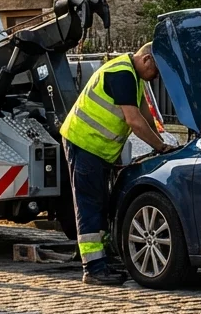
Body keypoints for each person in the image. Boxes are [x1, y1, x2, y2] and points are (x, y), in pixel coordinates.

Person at [59, 43, 174, 286]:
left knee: (100, 203)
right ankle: (93, 268)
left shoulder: (135, 77)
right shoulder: (121, 73)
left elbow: (147, 119)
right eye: (157, 71)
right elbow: (135, 122)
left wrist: (164, 145)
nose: (157, 77)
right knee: (89, 204)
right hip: (84, 143)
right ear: (146, 60)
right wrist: (161, 148)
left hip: (97, 149)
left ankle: (100, 261)